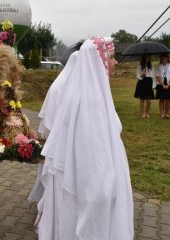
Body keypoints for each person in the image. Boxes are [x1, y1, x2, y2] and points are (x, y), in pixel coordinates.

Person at [35, 37, 134, 240]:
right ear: (99, 62)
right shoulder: (91, 103)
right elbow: (94, 170)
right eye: (112, 58)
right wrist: (102, 201)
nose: (115, 63)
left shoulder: (83, 94)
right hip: (87, 193)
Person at [28, 51, 79, 203]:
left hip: (59, 135)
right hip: (58, 136)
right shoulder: (62, 85)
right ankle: (49, 200)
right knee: (53, 171)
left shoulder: (66, 81)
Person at [155, 53, 170, 118]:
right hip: (160, 84)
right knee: (161, 99)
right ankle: (162, 113)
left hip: (169, 84)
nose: (164, 59)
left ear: (167, 58)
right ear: (161, 59)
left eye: (165, 58)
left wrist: (168, 84)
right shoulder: (159, 66)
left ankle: (167, 113)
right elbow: (158, 76)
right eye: (162, 58)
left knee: (168, 100)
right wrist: (163, 85)